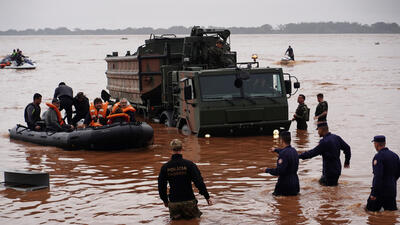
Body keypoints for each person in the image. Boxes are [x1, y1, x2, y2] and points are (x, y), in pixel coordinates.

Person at [158, 139, 212, 220]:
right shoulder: (189, 165)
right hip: (189, 201)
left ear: (171, 150)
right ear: (181, 149)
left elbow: (161, 186)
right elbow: (199, 182)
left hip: (174, 203)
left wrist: (165, 200)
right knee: (194, 221)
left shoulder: (165, 167)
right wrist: (207, 197)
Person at [366, 135, 400, 212]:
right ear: (384, 143)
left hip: (380, 191)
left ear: (376, 144)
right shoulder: (395, 156)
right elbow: (398, 173)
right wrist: (391, 181)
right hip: (392, 190)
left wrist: (374, 193)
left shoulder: (378, 157)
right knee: (391, 214)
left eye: (374, 143)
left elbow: (378, 175)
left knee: (370, 213)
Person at [265, 131, 300, 196]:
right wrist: (275, 150)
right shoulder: (294, 151)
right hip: (295, 184)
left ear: (281, 140)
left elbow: (279, 171)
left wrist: (267, 170)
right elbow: (287, 152)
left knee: (276, 202)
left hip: (284, 185)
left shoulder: (283, 154)